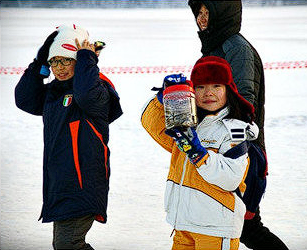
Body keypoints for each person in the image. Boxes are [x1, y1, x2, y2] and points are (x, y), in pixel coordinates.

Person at [188, 1, 289, 249]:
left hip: (240, 152)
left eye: (207, 12)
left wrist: (231, 146)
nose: (201, 19)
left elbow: (245, 105)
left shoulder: (236, 49)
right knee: (240, 225)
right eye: (198, 13)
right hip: (219, 149)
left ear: (222, 14)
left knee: (246, 227)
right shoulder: (215, 46)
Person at [14, 24, 122, 250]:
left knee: (68, 244)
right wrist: (39, 63)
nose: (59, 68)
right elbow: (24, 99)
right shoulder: (53, 93)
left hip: (83, 185)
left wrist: (87, 59)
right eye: (54, 61)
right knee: (65, 243)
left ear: (79, 61)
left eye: (66, 60)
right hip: (60, 185)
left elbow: (84, 94)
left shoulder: (98, 91)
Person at [142, 56, 260, 250]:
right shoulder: (187, 124)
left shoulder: (234, 129)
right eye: (200, 87)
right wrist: (163, 100)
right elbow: (153, 126)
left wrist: (198, 153)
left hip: (216, 228)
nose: (208, 93)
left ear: (228, 90)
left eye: (216, 86)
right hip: (183, 224)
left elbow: (230, 177)